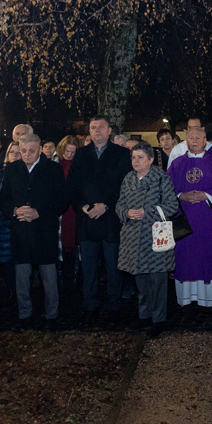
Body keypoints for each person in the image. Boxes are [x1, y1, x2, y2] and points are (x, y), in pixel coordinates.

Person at [0, 133, 68, 332]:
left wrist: (40, 212)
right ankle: (24, 314)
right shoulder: (12, 169)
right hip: (21, 231)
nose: (27, 154)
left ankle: (52, 315)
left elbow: (62, 200)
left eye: (31, 150)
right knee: (22, 277)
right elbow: (3, 199)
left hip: (44, 230)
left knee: (49, 277)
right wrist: (15, 210)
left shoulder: (53, 169)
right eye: (23, 151)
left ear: (40, 150)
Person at [69, 116, 132, 326]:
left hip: (111, 218)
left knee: (114, 267)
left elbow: (124, 186)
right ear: (89, 131)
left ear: (109, 130)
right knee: (88, 267)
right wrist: (84, 207)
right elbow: (73, 185)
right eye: (93, 127)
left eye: (101, 127)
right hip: (87, 219)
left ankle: (114, 307)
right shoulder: (81, 154)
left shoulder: (121, 154)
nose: (97, 131)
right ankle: (90, 307)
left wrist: (105, 205)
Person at [116, 141, 178, 337]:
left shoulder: (161, 179)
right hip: (133, 239)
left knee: (158, 281)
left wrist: (147, 212)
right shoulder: (128, 178)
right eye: (133, 157)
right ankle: (144, 316)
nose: (136, 161)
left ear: (151, 159)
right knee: (141, 281)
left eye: (140, 157)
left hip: (156, 237)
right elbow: (119, 205)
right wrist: (127, 212)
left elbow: (172, 206)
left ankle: (158, 319)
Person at [168, 127, 212, 307]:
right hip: (183, 217)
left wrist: (205, 195)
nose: (194, 141)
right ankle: (185, 298)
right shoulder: (177, 163)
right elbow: (167, 187)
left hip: (207, 218)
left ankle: (208, 299)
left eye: (198, 138)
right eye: (191, 138)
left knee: (207, 253)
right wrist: (181, 196)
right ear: (186, 141)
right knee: (184, 255)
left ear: (204, 141)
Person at [0, 143, 22, 306]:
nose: (15, 155)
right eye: (12, 152)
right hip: (4, 221)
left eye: (19, 152)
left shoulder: (26, 173)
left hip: (22, 221)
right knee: (8, 261)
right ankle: (12, 292)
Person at [56, 135, 79, 288]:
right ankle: (61, 278)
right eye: (67, 151)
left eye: (72, 152)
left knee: (73, 240)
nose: (69, 155)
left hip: (74, 207)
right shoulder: (55, 164)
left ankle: (73, 278)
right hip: (60, 208)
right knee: (61, 241)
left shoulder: (78, 165)